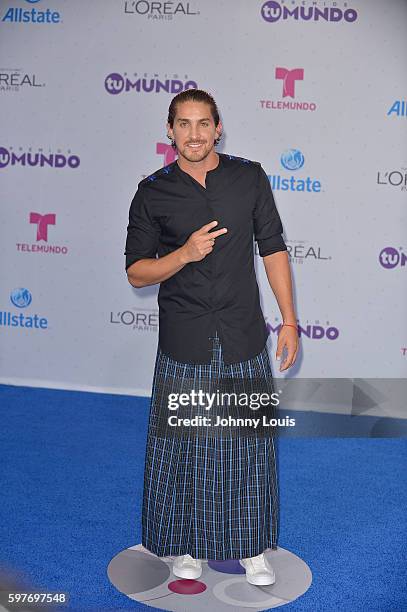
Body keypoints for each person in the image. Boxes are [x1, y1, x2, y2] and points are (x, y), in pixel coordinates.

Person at [125, 89, 299, 586]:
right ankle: (185, 547)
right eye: (184, 124)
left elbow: (274, 249)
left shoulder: (249, 177)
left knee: (248, 443)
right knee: (184, 446)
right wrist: (183, 254)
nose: (194, 134)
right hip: (185, 336)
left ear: (218, 127)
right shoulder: (152, 191)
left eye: (204, 124)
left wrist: (288, 320)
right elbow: (137, 273)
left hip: (242, 332)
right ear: (170, 130)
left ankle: (251, 550)